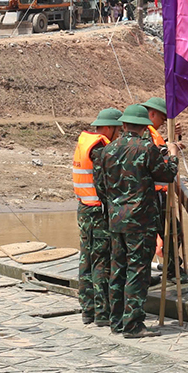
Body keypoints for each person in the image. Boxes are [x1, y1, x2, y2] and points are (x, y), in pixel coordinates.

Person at [94, 103, 178, 338]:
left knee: (117, 269)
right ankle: (133, 325)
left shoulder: (107, 151)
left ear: (123, 125)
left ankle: (117, 321)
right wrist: (173, 155)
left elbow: (99, 186)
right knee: (138, 271)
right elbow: (167, 175)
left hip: (115, 220)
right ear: (144, 127)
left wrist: (114, 205)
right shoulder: (146, 148)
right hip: (140, 221)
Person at [72, 108, 121, 327]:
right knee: (101, 260)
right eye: (119, 130)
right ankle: (102, 312)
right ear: (110, 128)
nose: (119, 135)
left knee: (86, 259)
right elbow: (105, 181)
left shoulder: (85, 142)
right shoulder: (99, 148)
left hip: (84, 208)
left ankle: (88, 309)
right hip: (97, 211)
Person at [142, 97, 185, 279]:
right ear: (152, 114)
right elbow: (154, 158)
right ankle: (168, 270)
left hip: (158, 194)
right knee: (167, 233)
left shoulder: (152, 134)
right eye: (162, 119)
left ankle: (172, 268)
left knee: (172, 232)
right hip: (152, 195)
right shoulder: (146, 133)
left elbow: (159, 153)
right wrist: (171, 149)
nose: (162, 123)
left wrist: (171, 140)